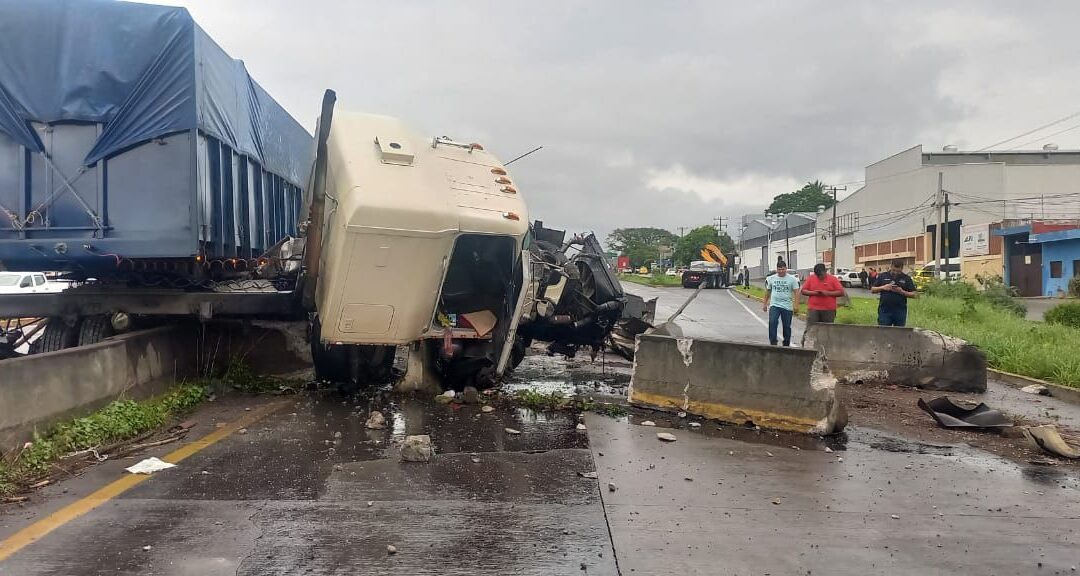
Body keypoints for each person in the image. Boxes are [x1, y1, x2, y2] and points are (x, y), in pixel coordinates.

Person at [762, 261, 800, 346]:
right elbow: (768, 291)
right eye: (779, 269)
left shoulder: (792, 279)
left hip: (787, 306)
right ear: (776, 270)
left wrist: (796, 306)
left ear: (786, 269)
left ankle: (786, 343)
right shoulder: (772, 278)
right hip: (775, 305)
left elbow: (797, 292)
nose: (781, 271)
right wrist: (765, 303)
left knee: (786, 326)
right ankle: (773, 342)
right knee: (772, 322)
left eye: (783, 269)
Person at [871, 259, 917, 326]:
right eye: (894, 270)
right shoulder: (883, 276)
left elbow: (915, 295)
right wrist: (883, 287)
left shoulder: (906, 278)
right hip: (885, 310)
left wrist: (902, 292)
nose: (895, 273)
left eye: (898, 271)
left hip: (900, 311)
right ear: (891, 266)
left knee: (899, 332)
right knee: (884, 332)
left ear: (902, 268)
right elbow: (872, 289)